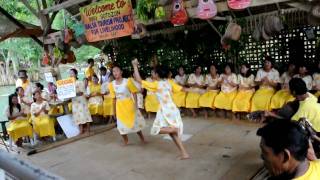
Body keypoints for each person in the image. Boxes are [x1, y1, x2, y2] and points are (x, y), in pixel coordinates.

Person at [132, 59, 190, 160]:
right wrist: (198, 90)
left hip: (165, 110)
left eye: (153, 73)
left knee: (155, 130)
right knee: (172, 134)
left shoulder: (156, 84)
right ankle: (184, 153)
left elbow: (138, 80)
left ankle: (174, 129)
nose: (151, 74)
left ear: (157, 75)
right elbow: (183, 89)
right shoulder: (169, 82)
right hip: (173, 109)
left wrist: (135, 66)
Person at [108, 65, 146, 145]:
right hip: (120, 107)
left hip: (129, 105)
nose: (115, 73)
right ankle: (126, 140)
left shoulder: (127, 81)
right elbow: (113, 99)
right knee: (121, 126)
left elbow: (134, 92)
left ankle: (142, 138)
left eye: (117, 70)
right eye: (113, 71)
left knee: (135, 123)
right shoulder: (111, 85)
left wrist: (135, 104)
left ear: (121, 72)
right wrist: (114, 112)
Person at [70, 68, 93, 134]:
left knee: (85, 114)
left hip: (81, 100)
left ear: (76, 74)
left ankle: (88, 129)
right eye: (70, 73)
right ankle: (81, 130)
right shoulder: (69, 84)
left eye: (72, 73)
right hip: (74, 101)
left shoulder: (79, 82)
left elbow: (81, 92)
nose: (70, 74)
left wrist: (73, 94)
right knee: (77, 115)